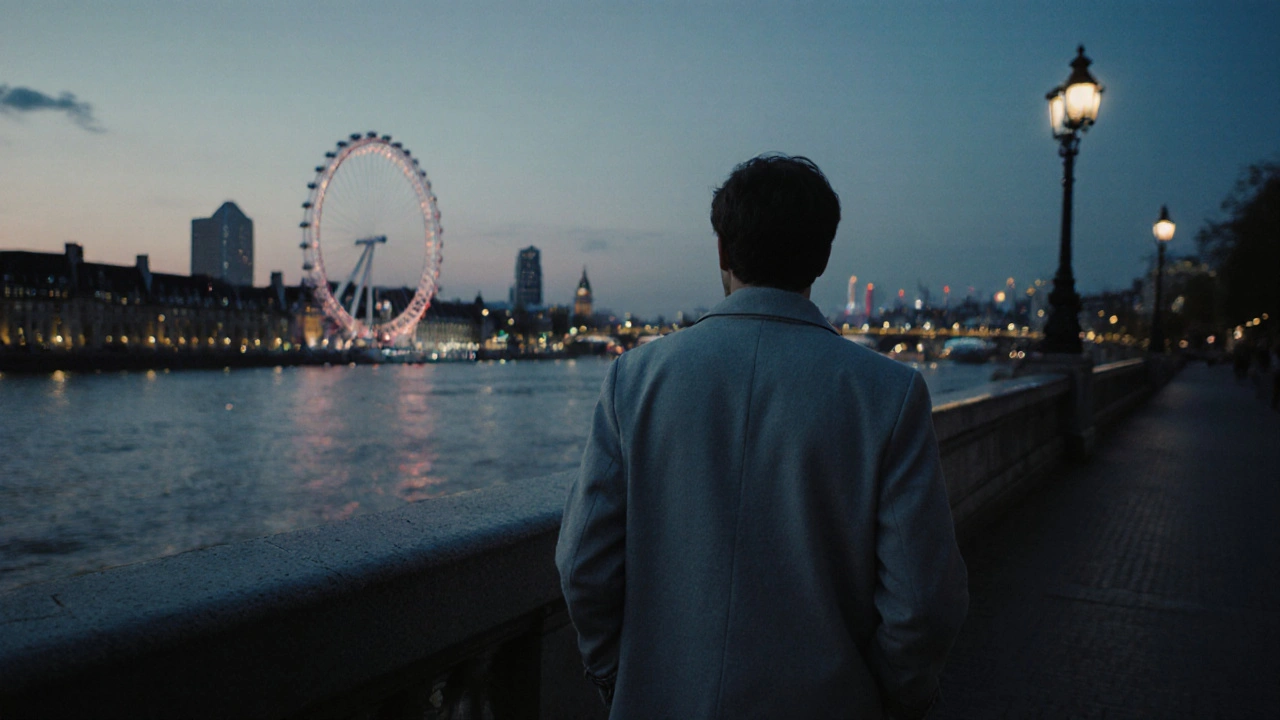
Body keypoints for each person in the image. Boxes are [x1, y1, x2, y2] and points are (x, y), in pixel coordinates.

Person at [556, 154, 968, 719]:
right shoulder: (888, 393)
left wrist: (618, 677)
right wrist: (885, 695)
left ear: (722, 250)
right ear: (822, 258)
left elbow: (582, 566)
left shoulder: (636, 379)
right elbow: (923, 602)